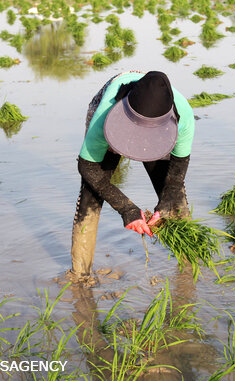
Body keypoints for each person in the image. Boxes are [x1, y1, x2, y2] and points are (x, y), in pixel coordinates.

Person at [70, 71, 195, 279]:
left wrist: (165, 203)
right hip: (118, 118)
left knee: (174, 201)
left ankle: (189, 268)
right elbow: (87, 166)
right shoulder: (106, 114)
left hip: (159, 128)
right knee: (90, 196)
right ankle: (80, 275)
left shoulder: (182, 118)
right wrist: (126, 208)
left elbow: (176, 173)